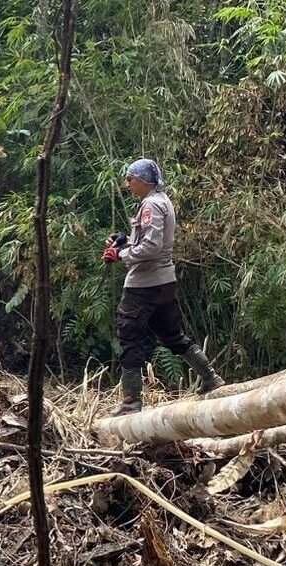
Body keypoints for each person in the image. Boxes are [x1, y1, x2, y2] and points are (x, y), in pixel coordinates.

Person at [103, 158, 225, 416]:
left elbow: (151, 247)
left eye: (130, 179)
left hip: (143, 285)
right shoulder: (160, 201)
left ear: (144, 181)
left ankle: (131, 402)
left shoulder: (150, 205)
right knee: (172, 335)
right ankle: (210, 377)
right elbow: (146, 240)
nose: (127, 184)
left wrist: (121, 256)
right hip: (163, 282)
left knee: (129, 337)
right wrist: (123, 241)